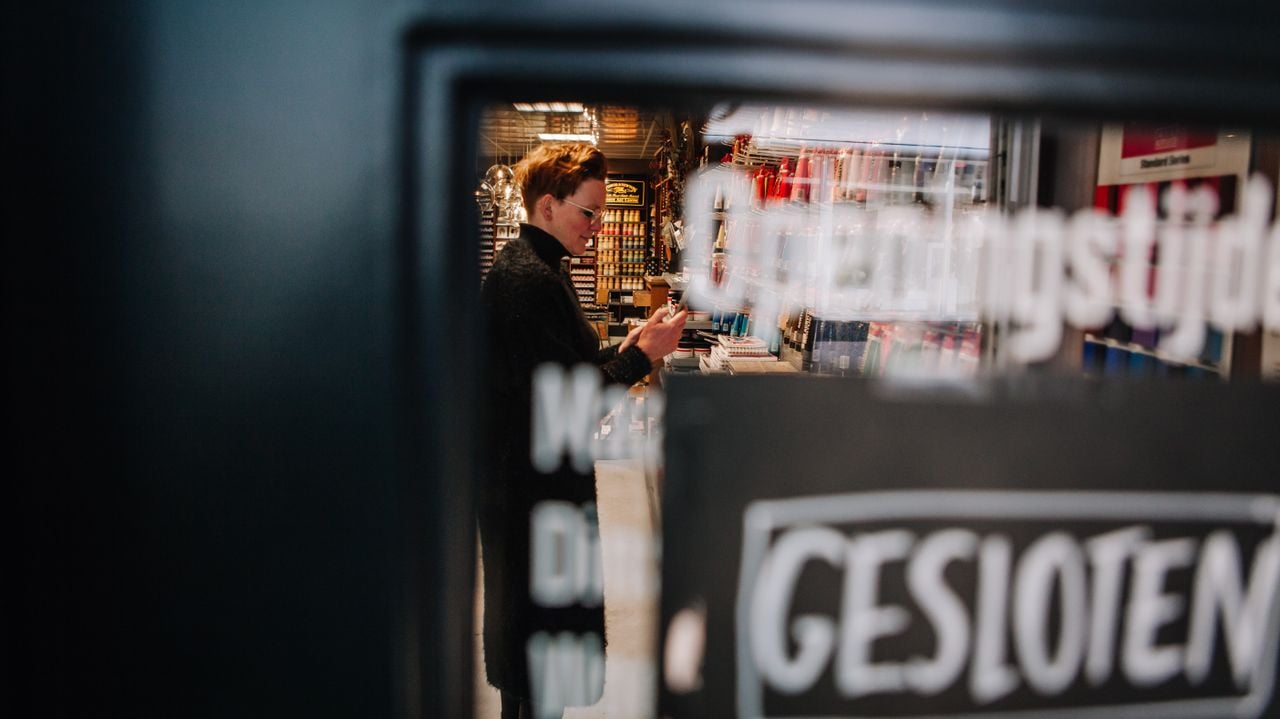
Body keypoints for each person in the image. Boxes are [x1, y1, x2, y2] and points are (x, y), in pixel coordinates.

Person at [478, 142, 686, 718]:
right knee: (539, 657)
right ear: (548, 205)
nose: (596, 227)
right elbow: (566, 403)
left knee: (530, 659)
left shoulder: (536, 267)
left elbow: (559, 370)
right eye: (587, 212)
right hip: (533, 497)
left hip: (528, 489)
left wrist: (627, 347)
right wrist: (640, 360)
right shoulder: (532, 281)